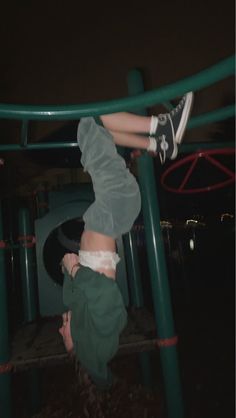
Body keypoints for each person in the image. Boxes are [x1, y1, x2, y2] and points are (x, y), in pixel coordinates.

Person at [59, 92, 194, 388]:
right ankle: (160, 127)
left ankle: (158, 142)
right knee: (90, 119)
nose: (61, 331)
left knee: (94, 129)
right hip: (114, 205)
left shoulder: (86, 330)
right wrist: (75, 271)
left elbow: (77, 293)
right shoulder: (100, 347)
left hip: (110, 208)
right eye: (66, 340)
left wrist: (69, 276)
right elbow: (108, 300)